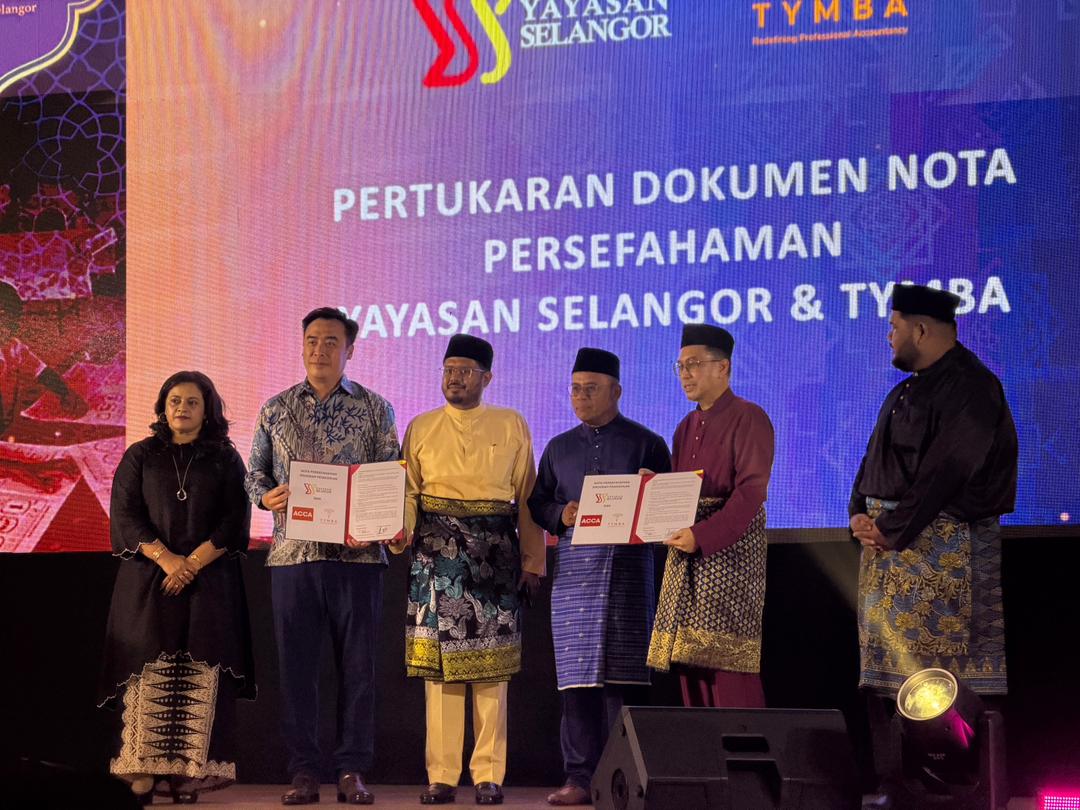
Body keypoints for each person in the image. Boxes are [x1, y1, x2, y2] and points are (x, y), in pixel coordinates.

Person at [849, 285, 1017, 795]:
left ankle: (963, 790)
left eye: (894, 326)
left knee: (947, 689)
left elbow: (947, 471)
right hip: (889, 560)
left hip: (943, 559)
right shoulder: (903, 392)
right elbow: (871, 462)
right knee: (887, 687)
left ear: (921, 329)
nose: (889, 336)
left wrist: (891, 528)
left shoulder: (973, 387)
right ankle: (896, 785)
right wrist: (857, 515)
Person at [245, 308, 399, 806]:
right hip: (293, 557)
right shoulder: (275, 409)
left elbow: (387, 477)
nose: (319, 349)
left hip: (358, 560)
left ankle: (352, 769)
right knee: (297, 670)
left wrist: (372, 526)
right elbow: (254, 474)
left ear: (349, 350)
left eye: (331, 341)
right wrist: (265, 496)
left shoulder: (375, 408)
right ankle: (304, 771)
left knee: (358, 670)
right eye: (312, 340)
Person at [398, 334, 545, 806]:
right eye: (448, 370)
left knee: (490, 671)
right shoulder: (421, 426)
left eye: (464, 371)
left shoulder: (511, 423)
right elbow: (409, 493)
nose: (454, 379)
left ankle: (488, 774)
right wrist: (399, 532)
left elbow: (528, 497)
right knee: (440, 674)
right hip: (435, 558)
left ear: (487, 377)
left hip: (494, 558)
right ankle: (441, 775)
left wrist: (533, 561)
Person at [100, 371, 255, 805]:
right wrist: (168, 560)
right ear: (162, 407)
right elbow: (125, 514)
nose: (182, 408)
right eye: (174, 401)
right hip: (148, 580)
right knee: (149, 667)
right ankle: (144, 773)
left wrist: (192, 564)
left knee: (198, 670)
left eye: (192, 402)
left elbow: (234, 518)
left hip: (210, 581)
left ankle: (188, 774)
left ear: (208, 411)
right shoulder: (140, 455)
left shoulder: (225, 459)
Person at [527, 348, 671, 807]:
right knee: (576, 684)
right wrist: (562, 514)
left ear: (616, 391)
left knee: (622, 682)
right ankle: (578, 778)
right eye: (575, 389)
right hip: (574, 574)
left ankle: (624, 779)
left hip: (628, 571)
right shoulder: (558, 447)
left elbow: (670, 507)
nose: (580, 397)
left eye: (590, 389)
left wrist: (651, 491)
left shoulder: (647, 444)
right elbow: (537, 504)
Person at [646, 324, 775, 708]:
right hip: (687, 557)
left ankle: (746, 748)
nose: (685, 374)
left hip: (730, 558)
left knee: (727, 667)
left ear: (723, 367)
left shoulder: (749, 417)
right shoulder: (685, 426)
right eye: (681, 366)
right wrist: (653, 487)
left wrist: (703, 536)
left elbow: (751, 492)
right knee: (690, 664)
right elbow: (685, 491)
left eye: (694, 364)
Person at [0, 281, 87, 434]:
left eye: (12, 325)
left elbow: (42, 372)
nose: (7, 331)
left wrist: (64, 392)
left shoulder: (14, 347)